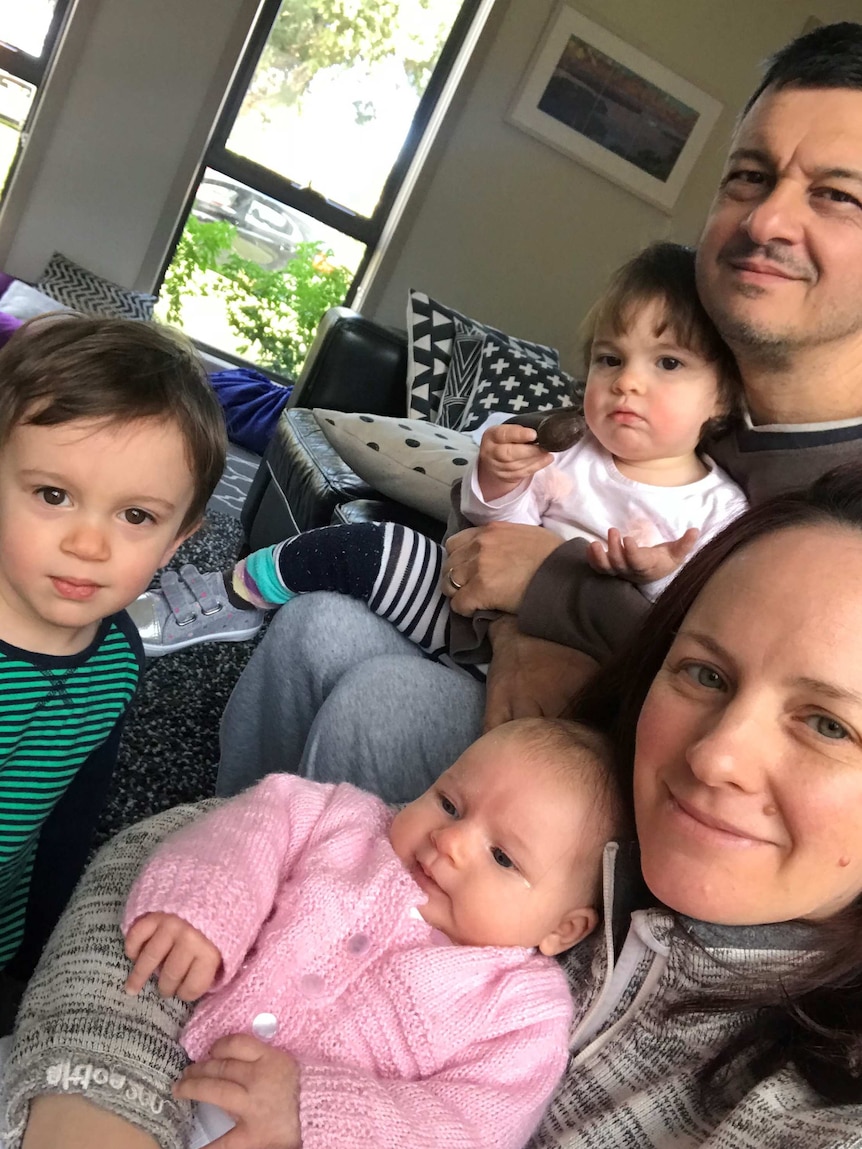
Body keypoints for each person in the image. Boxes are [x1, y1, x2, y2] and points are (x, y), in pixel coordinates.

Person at [9, 462, 862, 1147]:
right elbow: (199, 842)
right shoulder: (553, 822)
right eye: (705, 673)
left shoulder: (809, 1109)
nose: (716, 753)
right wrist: (101, 1097)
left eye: (829, 724)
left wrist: (325, 1110)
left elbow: (470, 1121)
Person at [206, 19, 862, 805]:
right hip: (510, 663)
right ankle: (232, 862)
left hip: (650, 788)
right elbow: (490, 538)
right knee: (314, 630)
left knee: (383, 708)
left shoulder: (834, 497)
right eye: (749, 177)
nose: (765, 223)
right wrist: (519, 623)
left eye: (838, 195)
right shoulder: (660, 402)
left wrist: (550, 591)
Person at [131, 243, 745, 682]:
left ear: (723, 397)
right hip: (469, 620)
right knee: (375, 546)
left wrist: (655, 576)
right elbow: (491, 527)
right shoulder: (571, 447)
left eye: (667, 364)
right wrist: (497, 479)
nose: (627, 383)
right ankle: (237, 593)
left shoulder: (722, 508)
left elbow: (690, 639)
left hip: (572, 677)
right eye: (611, 360)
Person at [116, 718, 621, 1149]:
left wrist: (315, 1108)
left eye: (503, 857)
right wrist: (206, 905)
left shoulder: (523, 1012)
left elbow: (470, 1130)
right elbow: (261, 820)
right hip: (165, 1080)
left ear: (562, 928)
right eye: (449, 803)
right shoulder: (349, 825)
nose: (451, 842)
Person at [0, 312, 226, 986]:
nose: (89, 546)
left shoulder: (118, 656)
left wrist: (41, 942)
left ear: (180, 538)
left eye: (136, 516)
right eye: (53, 494)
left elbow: (74, 809)